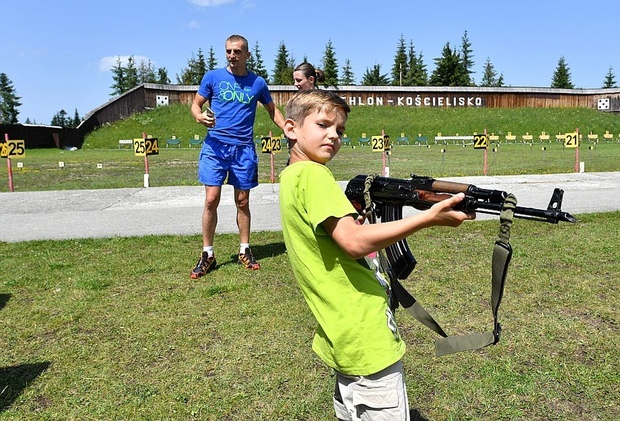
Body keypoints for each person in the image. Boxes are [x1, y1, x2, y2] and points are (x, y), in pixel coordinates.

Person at [278, 89, 474, 420]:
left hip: (341, 332)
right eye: (323, 124)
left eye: (339, 131)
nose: (333, 136)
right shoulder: (314, 174)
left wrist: (355, 223)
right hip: (366, 334)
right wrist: (429, 217)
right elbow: (354, 243)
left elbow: (338, 235)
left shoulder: (291, 176)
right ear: (291, 128)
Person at [189, 34, 285, 279]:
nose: (232, 56)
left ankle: (245, 249)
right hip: (215, 148)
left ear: (247, 55)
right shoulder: (212, 77)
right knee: (211, 199)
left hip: (243, 150)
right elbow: (195, 105)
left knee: (242, 201)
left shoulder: (258, 83)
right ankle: (207, 253)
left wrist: (289, 130)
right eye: (229, 51)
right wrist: (199, 117)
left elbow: (273, 111)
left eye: (237, 51)